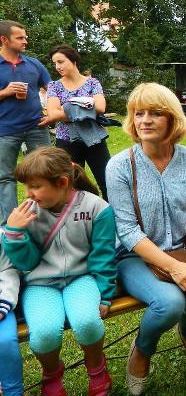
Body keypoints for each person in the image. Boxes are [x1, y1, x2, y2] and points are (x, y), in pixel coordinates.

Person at [105, 83, 186, 395]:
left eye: (155, 113)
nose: (144, 120)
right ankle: (143, 349)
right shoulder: (119, 166)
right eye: (138, 113)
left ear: (172, 119)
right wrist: (175, 268)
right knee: (169, 303)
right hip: (136, 255)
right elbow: (127, 231)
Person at [2, 147, 116, 395]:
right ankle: (51, 373)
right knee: (43, 333)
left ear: (63, 182)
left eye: (35, 186)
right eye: (26, 187)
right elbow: (27, 263)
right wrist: (14, 234)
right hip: (40, 284)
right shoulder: (28, 212)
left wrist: (105, 293)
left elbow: (103, 255)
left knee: (87, 322)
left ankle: (96, 367)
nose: (28, 194)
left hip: (81, 278)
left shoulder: (97, 208)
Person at [40, 45, 111, 200]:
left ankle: (111, 212)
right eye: (55, 63)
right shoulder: (54, 86)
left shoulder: (92, 83)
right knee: (72, 187)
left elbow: (100, 107)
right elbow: (53, 114)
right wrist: (86, 108)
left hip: (94, 139)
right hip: (66, 141)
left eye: (61, 62)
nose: (57, 67)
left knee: (107, 182)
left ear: (73, 61)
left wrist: (66, 108)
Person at [0, 20, 52, 223]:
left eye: (25, 37)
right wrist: (5, 92)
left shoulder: (34, 64)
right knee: (5, 177)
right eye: (20, 38)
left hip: (36, 127)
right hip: (5, 130)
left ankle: (47, 218)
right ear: (4, 40)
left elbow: (52, 90)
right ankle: (9, 224)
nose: (25, 41)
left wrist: (52, 113)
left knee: (46, 171)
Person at [0, 243, 22, 396]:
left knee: (6, 340)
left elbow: (8, 272)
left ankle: (13, 392)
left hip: (2, 304)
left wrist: (3, 305)